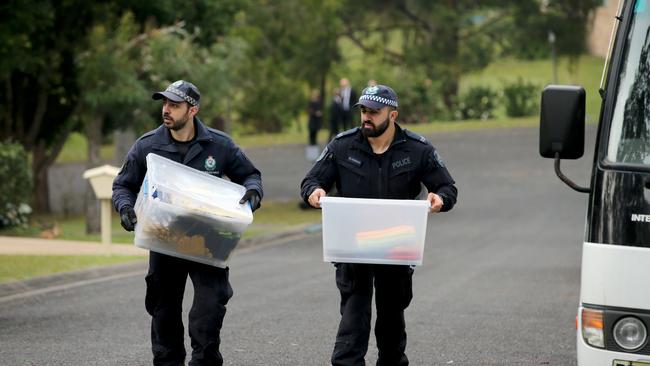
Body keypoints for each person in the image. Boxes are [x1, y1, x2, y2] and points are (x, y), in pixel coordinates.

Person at [300, 85, 457, 365]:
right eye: (363, 111)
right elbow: (311, 181)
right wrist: (315, 192)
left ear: (392, 114)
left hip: (397, 248)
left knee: (391, 324)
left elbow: (447, 187)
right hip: (353, 247)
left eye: (374, 111)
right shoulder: (342, 145)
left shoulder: (418, 148)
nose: (366, 117)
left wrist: (439, 198)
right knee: (353, 321)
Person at [112, 80, 263, 366]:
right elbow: (123, 186)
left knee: (209, 310)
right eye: (164, 104)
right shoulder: (147, 146)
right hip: (163, 238)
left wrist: (253, 195)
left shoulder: (219, 145)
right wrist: (125, 208)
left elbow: (251, 176)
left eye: (174, 105)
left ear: (193, 110)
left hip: (207, 241)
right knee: (163, 311)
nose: (166, 110)